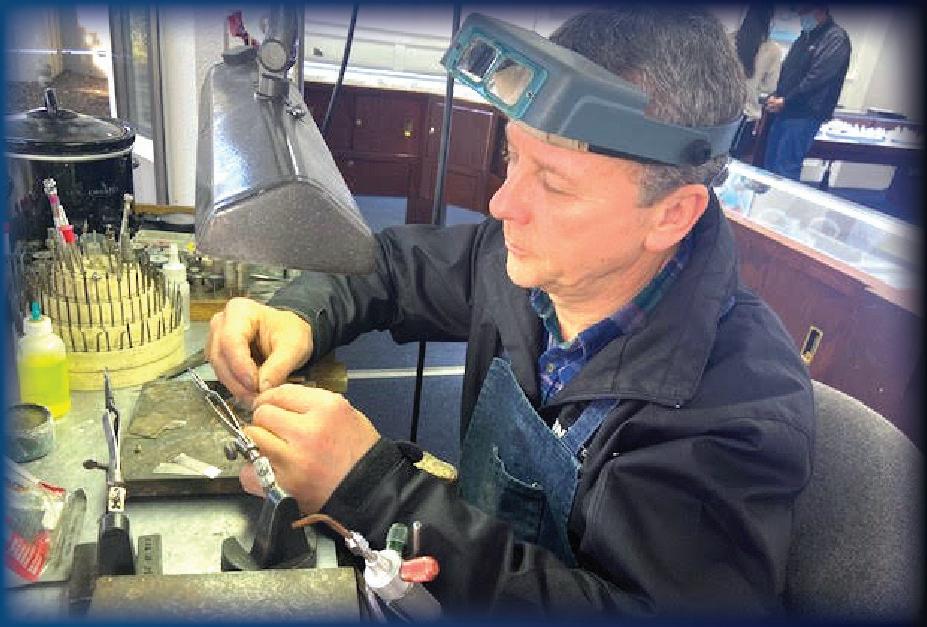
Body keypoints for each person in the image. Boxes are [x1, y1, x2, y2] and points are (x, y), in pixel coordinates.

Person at [206, 7, 814, 618]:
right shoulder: (528, 265)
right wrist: (298, 313)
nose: (502, 203)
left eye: (554, 183)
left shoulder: (737, 417)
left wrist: (374, 489)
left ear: (672, 214)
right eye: (512, 156)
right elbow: (391, 267)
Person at [763, 4, 851, 180]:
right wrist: (777, 95)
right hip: (786, 110)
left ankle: (783, 199)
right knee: (770, 164)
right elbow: (788, 70)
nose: (801, 17)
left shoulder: (836, 39)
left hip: (805, 114)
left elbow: (817, 79)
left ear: (820, 10)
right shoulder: (805, 36)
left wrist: (786, 100)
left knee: (785, 168)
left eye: (804, 12)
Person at [730, 5, 782, 159]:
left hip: (720, 112)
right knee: (734, 160)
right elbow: (770, 87)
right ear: (769, 21)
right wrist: (755, 87)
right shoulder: (772, 50)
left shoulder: (728, 40)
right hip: (746, 115)